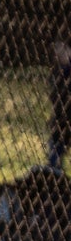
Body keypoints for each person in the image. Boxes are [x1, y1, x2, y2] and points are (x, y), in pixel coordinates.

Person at [46, 38, 70, 174]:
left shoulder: (67, 69)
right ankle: (54, 170)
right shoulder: (58, 70)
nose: (59, 56)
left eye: (61, 52)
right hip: (61, 115)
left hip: (66, 113)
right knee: (56, 144)